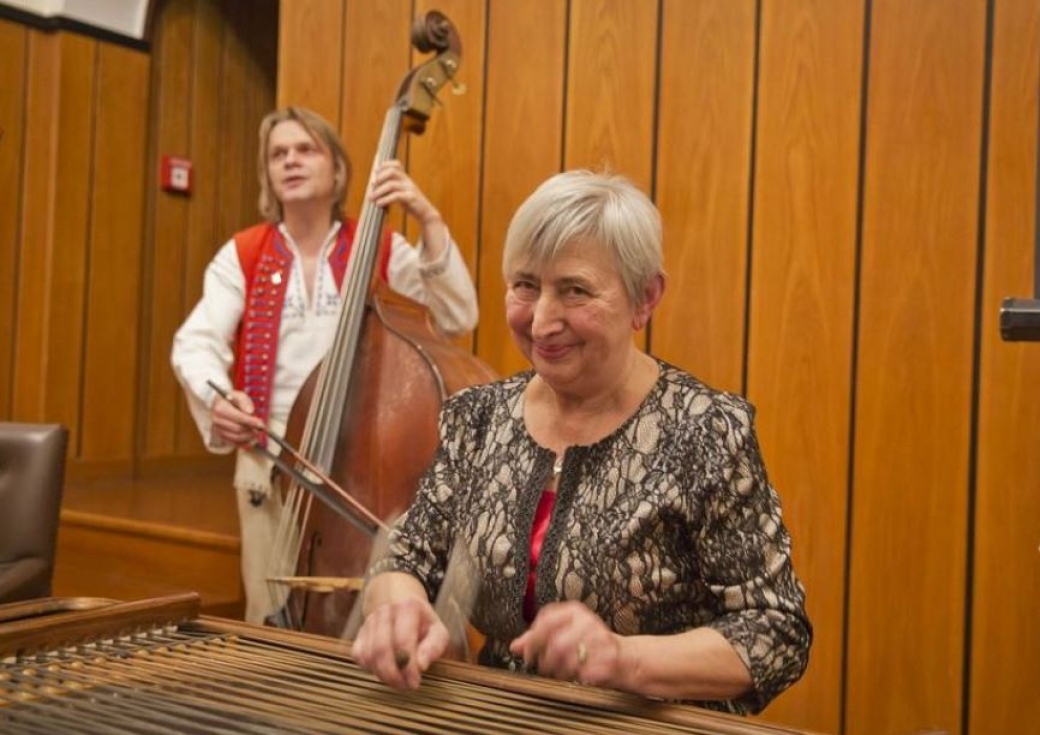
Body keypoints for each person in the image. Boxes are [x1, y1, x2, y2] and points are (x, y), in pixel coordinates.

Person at [351, 170, 811, 715]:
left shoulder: (705, 431)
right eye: (525, 285)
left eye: (574, 290)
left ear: (645, 298)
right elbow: (407, 556)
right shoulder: (476, 418)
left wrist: (623, 660)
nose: (543, 320)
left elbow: (776, 630)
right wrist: (398, 608)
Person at [171, 106, 479, 625]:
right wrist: (219, 399)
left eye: (306, 149)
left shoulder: (379, 247)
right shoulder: (242, 254)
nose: (290, 160)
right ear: (268, 173)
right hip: (270, 459)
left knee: (366, 613)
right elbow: (194, 344)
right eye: (278, 153)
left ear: (337, 170)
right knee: (269, 613)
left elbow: (456, 316)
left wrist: (428, 219)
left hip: (360, 465)